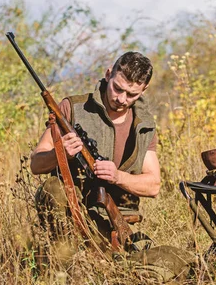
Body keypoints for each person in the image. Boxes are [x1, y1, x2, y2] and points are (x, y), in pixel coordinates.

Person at [30, 51, 160, 243]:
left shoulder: (144, 126)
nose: (122, 99)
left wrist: (117, 177)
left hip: (117, 224)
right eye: (117, 88)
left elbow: (153, 185)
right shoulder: (72, 109)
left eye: (131, 94)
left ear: (144, 89)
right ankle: (65, 262)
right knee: (52, 188)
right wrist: (60, 153)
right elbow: (36, 164)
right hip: (71, 215)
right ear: (108, 74)